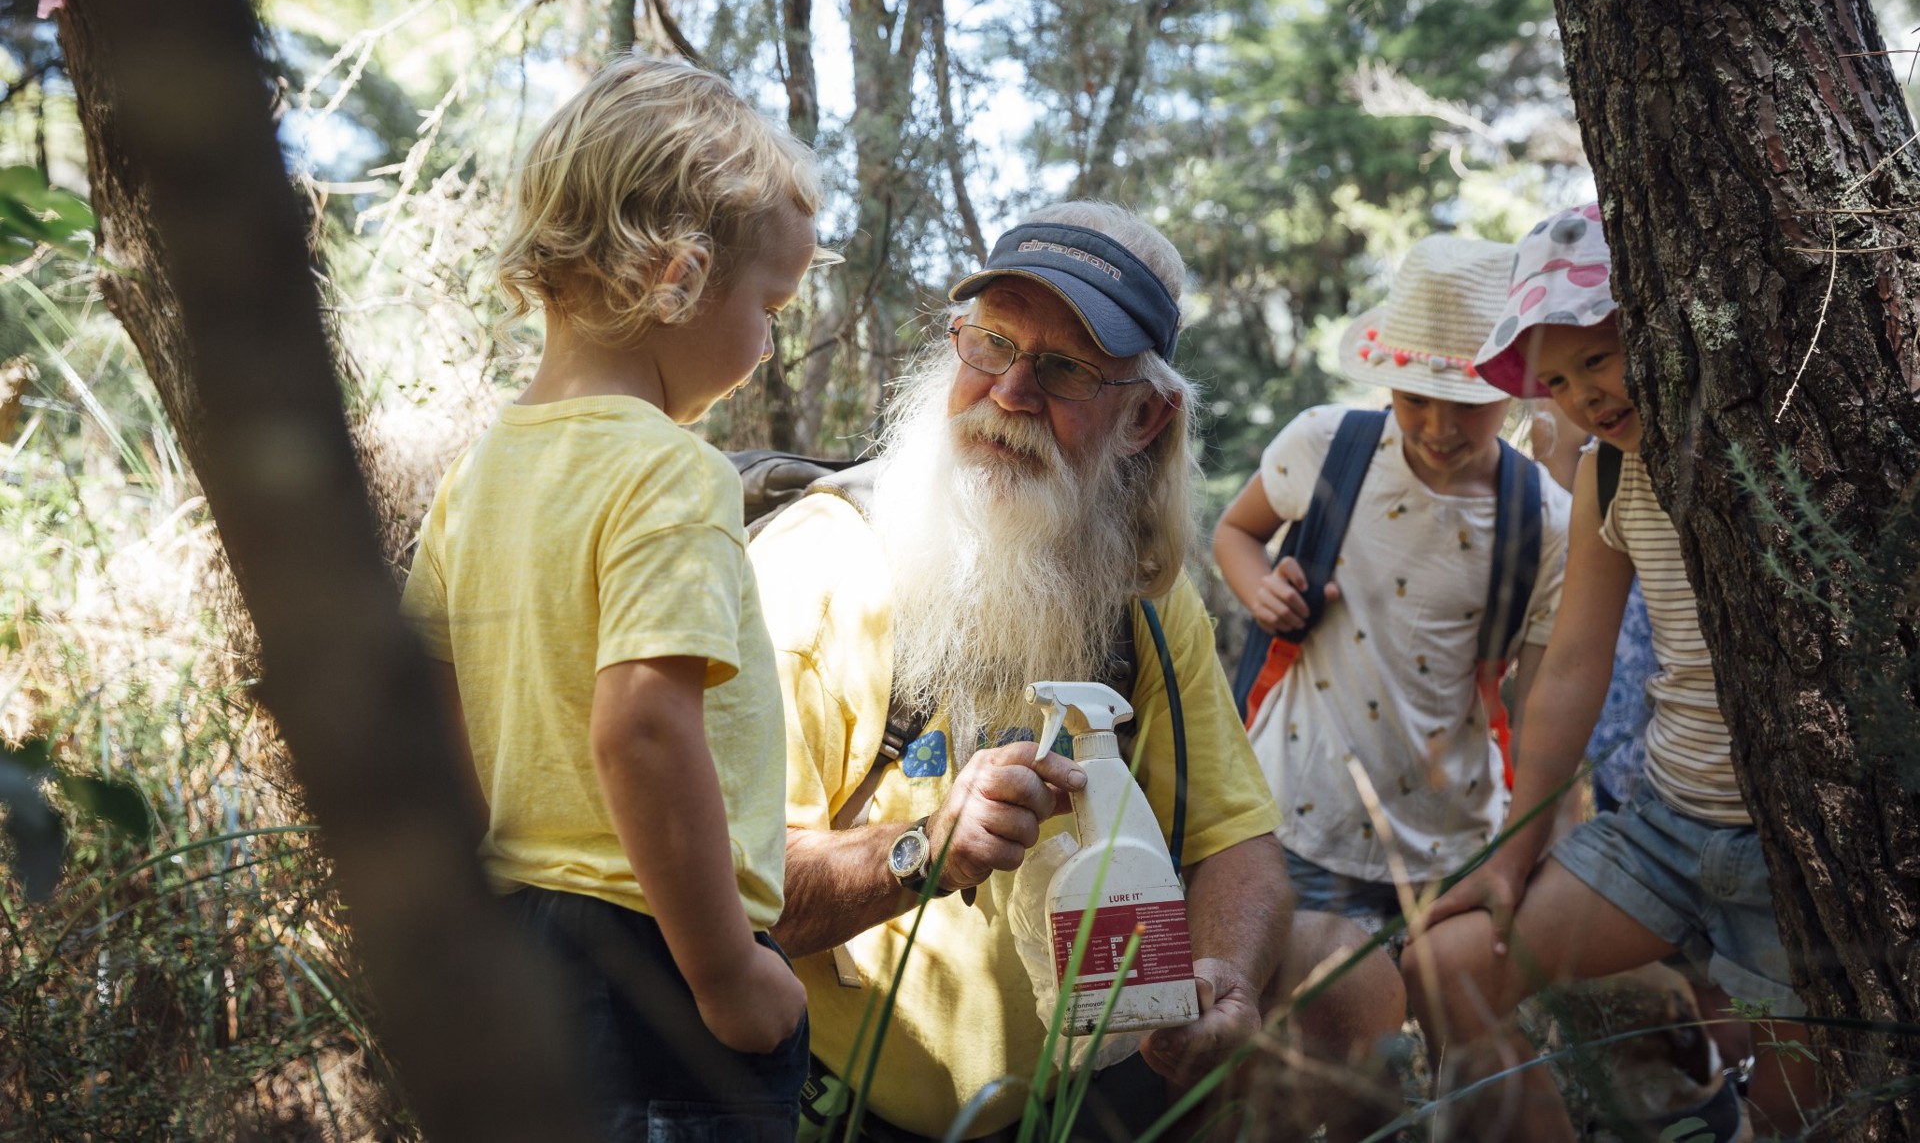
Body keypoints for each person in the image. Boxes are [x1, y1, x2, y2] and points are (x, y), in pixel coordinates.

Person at [755, 202, 1405, 1142]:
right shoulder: (824, 565)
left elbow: (1238, 840)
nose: (1011, 390)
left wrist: (1221, 974)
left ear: (1144, 415)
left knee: (1341, 969)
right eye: (991, 343)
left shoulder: (1138, 591)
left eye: (1064, 367)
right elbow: (725, 892)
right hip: (850, 1110)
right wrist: (924, 849)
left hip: (1098, 1094)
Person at [400, 56, 826, 1138]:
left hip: (515, 947)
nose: (770, 340)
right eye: (770, 306)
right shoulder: (672, 471)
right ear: (678, 278)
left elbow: (439, 717)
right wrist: (729, 970)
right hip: (659, 955)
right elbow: (639, 726)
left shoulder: (479, 473)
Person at [1404, 204, 1818, 1140]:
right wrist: (1515, 847)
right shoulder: (1604, 474)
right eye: (1553, 379)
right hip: (1666, 827)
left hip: (1790, 850)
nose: (1582, 394)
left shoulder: (1778, 444)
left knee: (1797, 1105)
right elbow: (1573, 668)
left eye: (1597, 357)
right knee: (1446, 962)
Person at [1215, 235, 1571, 931]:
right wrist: (1259, 589)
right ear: (1387, 378)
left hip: (1455, 843)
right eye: (1415, 399)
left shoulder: (1544, 520)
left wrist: (1529, 847)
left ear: (1509, 387)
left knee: (1439, 1021)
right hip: (1297, 818)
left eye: (1469, 403)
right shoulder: (1324, 447)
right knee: (1305, 1023)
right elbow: (1236, 532)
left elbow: (1540, 704)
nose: (1439, 427)